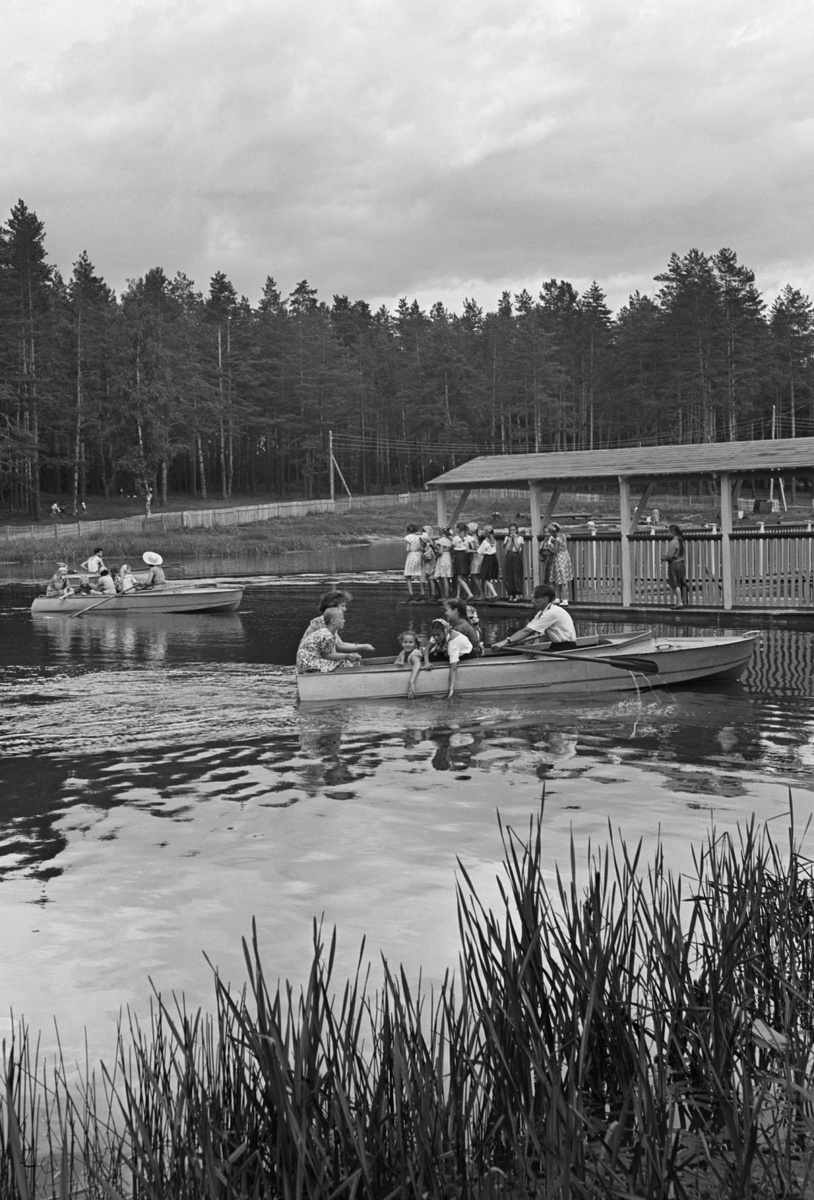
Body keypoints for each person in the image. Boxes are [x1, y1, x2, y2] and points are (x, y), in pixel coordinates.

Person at [493, 583, 577, 652]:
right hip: (556, 645)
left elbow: (528, 631)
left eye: (535, 598)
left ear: (545, 599)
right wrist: (509, 641)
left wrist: (504, 642)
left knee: (534, 654)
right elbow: (528, 628)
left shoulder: (551, 613)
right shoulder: (541, 612)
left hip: (567, 648)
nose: (532, 601)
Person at [296, 607, 364, 674]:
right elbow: (327, 656)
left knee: (344, 661)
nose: (344, 620)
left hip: (306, 663)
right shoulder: (327, 635)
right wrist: (347, 656)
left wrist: (348, 656)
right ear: (333, 621)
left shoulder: (329, 632)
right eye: (342, 618)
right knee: (344, 663)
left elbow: (329, 655)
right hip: (308, 665)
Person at [422, 617, 474, 699]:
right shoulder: (438, 634)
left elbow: (453, 668)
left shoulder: (453, 643)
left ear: (445, 632)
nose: (435, 637)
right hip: (447, 649)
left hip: (466, 653)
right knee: (427, 656)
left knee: (440, 657)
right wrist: (426, 662)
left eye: (438, 635)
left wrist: (451, 690)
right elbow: (427, 649)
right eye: (433, 635)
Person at [662, 524, 688, 607]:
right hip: (681, 564)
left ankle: (679, 602)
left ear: (673, 532)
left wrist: (663, 558)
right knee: (681, 583)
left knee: (675, 584)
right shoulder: (682, 541)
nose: (668, 534)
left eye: (668, 532)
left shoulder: (673, 542)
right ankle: (683, 601)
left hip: (674, 564)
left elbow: (670, 557)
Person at [394, 630, 424, 699]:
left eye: (410, 642)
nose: (407, 645)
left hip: (412, 679)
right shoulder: (403, 653)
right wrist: (399, 663)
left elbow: (417, 664)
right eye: (405, 642)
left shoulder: (414, 654)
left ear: (415, 644)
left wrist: (411, 682)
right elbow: (394, 665)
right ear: (401, 643)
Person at [549, 523, 573, 605]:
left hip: (559, 559)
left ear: (553, 531)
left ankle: (563, 599)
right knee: (562, 579)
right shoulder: (563, 536)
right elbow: (568, 537)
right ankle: (560, 598)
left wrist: (550, 547)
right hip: (565, 557)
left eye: (550, 532)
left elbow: (555, 551)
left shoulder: (557, 539)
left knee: (559, 580)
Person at [502, 523, 525, 601]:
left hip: (516, 557)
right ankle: (510, 594)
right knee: (509, 575)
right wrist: (510, 539)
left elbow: (518, 548)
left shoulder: (520, 538)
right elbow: (507, 549)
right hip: (509, 557)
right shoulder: (507, 538)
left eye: (514, 530)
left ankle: (517, 594)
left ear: (516, 530)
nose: (512, 531)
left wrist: (514, 538)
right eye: (511, 530)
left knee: (516, 575)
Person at [451, 522, 474, 600]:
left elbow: (453, 547)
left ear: (458, 529)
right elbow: (472, 546)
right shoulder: (468, 537)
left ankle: (469, 593)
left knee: (459, 578)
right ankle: (458, 595)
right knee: (460, 576)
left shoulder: (456, 538)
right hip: (465, 556)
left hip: (459, 556)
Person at [403, 524, 425, 600]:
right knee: (420, 574)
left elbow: (407, 549)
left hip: (411, 555)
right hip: (419, 554)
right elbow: (422, 546)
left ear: (408, 530)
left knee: (408, 575)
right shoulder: (420, 536)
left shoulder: (408, 537)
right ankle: (422, 593)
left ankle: (411, 594)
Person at [477, 526, 499, 598]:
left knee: (485, 577)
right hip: (493, 558)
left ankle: (494, 594)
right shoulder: (493, 540)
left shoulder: (485, 541)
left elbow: (479, 551)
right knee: (488, 577)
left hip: (487, 559)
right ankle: (490, 595)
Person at [432, 527, 453, 599]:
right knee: (447, 577)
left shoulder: (441, 540)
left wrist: (436, 556)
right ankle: (448, 593)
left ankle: (446, 595)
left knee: (444, 577)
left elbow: (440, 551)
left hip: (443, 558)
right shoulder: (449, 540)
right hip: (448, 557)